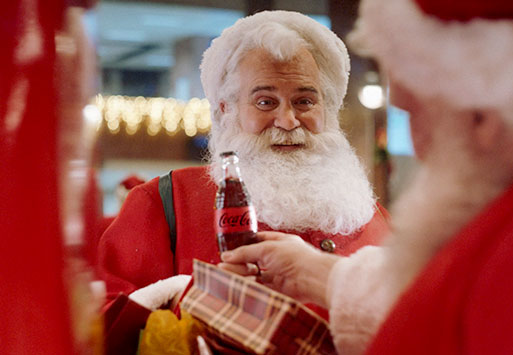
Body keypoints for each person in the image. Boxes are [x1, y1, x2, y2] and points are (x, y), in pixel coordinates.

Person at [219, 0, 513, 353]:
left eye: (417, 114)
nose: (418, 145)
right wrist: (321, 274)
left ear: (483, 111)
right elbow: (475, 310)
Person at [97, 10, 390, 314]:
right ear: (226, 109)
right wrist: (196, 300)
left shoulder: (367, 213)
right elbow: (102, 326)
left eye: (304, 101)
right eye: (265, 102)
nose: (288, 121)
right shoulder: (163, 202)